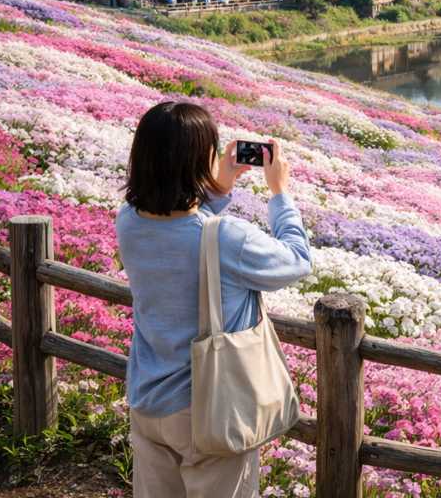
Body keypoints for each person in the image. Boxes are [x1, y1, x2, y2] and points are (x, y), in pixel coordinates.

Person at [116, 102, 311, 498]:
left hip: (148, 400)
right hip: (209, 409)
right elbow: (296, 261)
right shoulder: (226, 237)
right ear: (197, 160)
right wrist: (280, 195)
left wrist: (217, 188)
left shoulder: (129, 221)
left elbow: (181, 224)